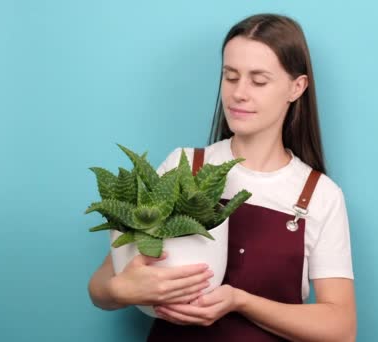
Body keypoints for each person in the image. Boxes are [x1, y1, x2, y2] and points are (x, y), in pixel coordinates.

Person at [88, 13, 356, 341]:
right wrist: (121, 290)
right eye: (230, 77)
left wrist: (240, 301)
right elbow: (100, 287)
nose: (239, 93)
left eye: (259, 80)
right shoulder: (184, 165)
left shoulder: (318, 195)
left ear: (296, 87)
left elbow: (340, 330)